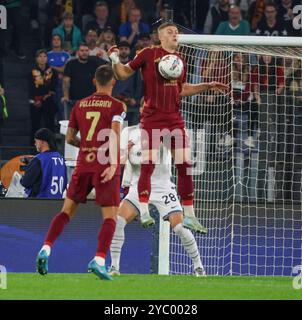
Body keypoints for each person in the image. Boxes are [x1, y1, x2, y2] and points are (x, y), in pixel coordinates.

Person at [108, 22, 228, 233]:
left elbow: (181, 89)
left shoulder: (180, 60)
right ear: (160, 36)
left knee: (185, 164)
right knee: (148, 164)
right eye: (170, 32)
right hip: (153, 117)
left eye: (177, 32)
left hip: (174, 118)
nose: (175, 35)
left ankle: (189, 215)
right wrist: (115, 59)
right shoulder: (148, 54)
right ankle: (144, 211)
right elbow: (122, 74)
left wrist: (206, 85)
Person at [35, 65, 126, 280]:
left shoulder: (80, 104)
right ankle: (100, 259)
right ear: (113, 82)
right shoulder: (117, 106)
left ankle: (46, 248)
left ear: (94, 81)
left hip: (83, 164)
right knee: (110, 217)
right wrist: (113, 164)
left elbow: (68, 139)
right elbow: (114, 135)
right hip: (104, 165)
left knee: (65, 212)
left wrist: (86, 145)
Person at [109, 108, 206, 276]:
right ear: (141, 110)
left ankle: (199, 267)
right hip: (137, 186)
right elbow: (119, 160)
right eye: (145, 107)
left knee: (180, 228)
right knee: (117, 221)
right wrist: (126, 152)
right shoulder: (128, 132)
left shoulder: (166, 130)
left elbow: (182, 147)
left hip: (163, 186)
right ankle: (114, 267)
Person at [62, 42, 107, 119]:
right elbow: (66, 81)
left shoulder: (94, 64)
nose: (84, 53)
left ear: (89, 52)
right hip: (74, 100)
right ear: (78, 52)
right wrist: (66, 96)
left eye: (86, 50)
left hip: (90, 101)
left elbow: (99, 81)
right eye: (82, 50)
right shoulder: (71, 64)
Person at [20, 128, 67, 198]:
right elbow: (65, 182)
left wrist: (22, 178)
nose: (35, 144)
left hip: (39, 203)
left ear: (42, 142)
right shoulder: (61, 159)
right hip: (57, 202)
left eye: (36, 141)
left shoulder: (38, 159)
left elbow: (26, 182)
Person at [29, 49, 58, 144]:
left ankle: (51, 144)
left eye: (44, 56)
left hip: (48, 100)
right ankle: (33, 145)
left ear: (47, 58)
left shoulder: (52, 71)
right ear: (36, 58)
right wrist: (34, 100)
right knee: (35, 124)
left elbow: (54, 85)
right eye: (40, 56)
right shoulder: (31, 72)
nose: (42, 58)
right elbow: (30, 87)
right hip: (35, 101)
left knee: (49, 124)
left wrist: (46, 96)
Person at [112, 41, 143, 126]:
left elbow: (139, 85)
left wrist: (136, 100)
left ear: (129, 51)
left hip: (131, 104)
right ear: (117, 51)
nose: (123, 51)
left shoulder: (134, 66)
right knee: (117, 129)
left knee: (129, 130)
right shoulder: (112, 66)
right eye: (121, 49)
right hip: (115, 102)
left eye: (126, 49)